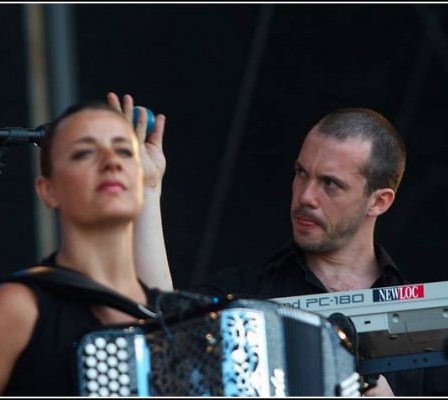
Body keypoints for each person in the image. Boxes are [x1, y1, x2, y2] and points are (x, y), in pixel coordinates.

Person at [142, 107, 448, 396]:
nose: (305, 196)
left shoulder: (429, 323)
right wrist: (148, 190)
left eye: (330, 183)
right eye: (302, 173)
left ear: (379, 202)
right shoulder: (244, 295)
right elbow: (159, 337)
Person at [0, 94, 171, 395]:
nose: (111, 162)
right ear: (48, 190)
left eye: (124, 152)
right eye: (84, 154)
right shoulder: (15, 308)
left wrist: (149, 188)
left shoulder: (164, 311)